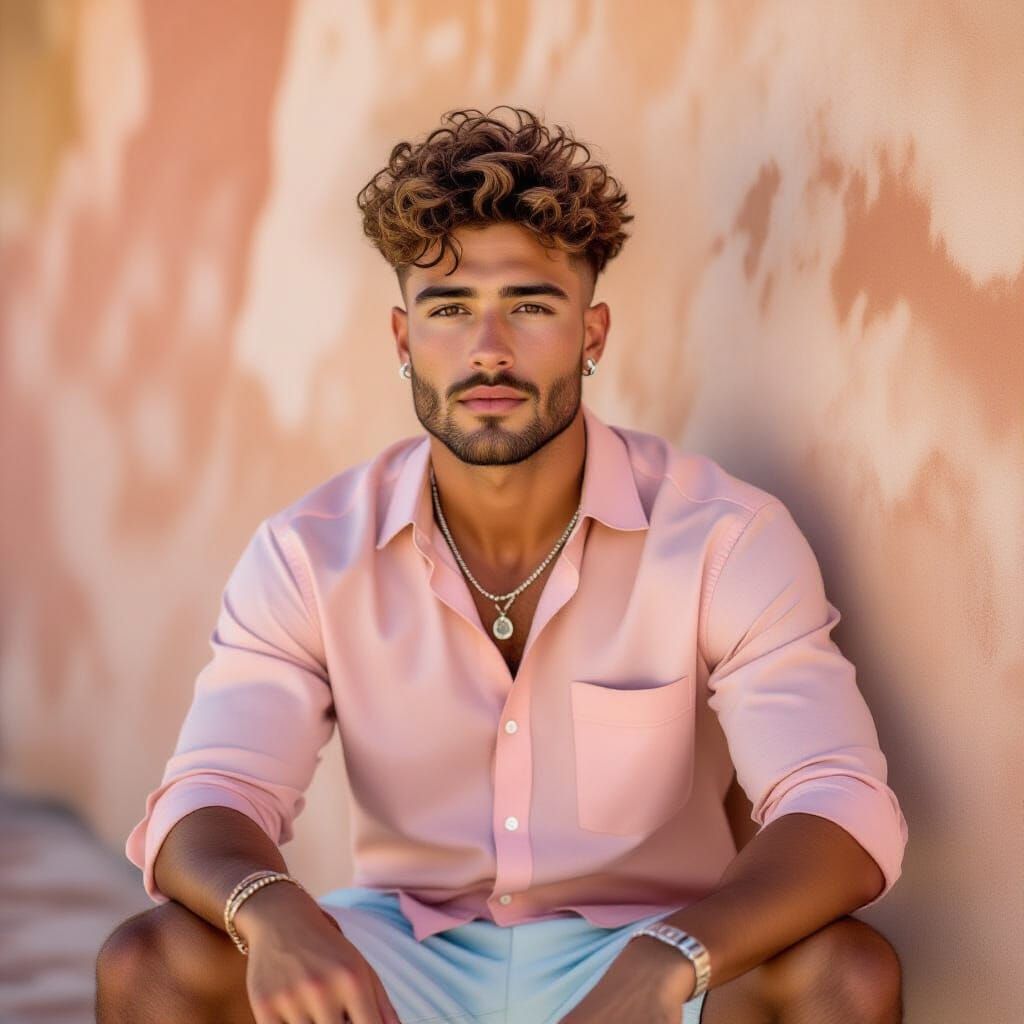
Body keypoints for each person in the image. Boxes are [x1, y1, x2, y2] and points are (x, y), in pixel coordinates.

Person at [96, 106, 908, 1024]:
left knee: (848, 971)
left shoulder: (724, 538)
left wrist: (672, 956)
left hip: (646, 949)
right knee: (152, 962)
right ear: (403, 342)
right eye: (449, 310)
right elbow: (211, 793)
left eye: (529, 304)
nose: (488, 350)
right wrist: (272, 911)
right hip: (406, 952)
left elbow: (837, 800)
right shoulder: (309, 551)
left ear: (592, 335)